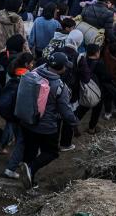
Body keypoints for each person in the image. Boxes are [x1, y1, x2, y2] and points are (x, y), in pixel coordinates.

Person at [20, 52, 80, 190]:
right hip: (46, 126)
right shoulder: (59, 87)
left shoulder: (35, 72)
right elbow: (65, 111)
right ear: (61, 68)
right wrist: (74, 124)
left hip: (27, 120)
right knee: (51, 152)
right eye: (65, 66)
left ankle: (29, 180)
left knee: (30, 150)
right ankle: (31, 168)